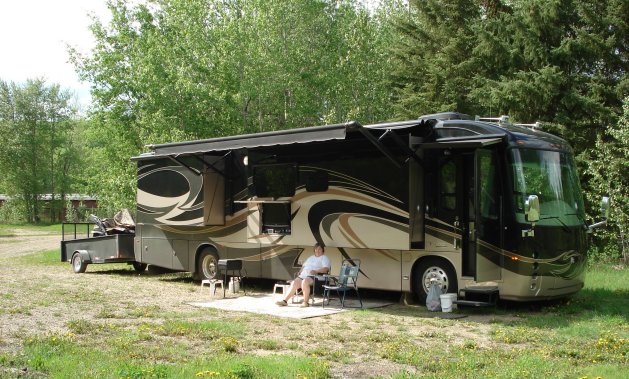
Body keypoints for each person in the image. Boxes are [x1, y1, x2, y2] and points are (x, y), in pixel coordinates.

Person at [276, 242, 331, 307]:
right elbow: (304, 266)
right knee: (294, 283)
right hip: (304, 276)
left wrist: (316, 271)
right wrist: (300, 272)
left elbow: (326, 269)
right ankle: (285, 301)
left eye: (319, 249)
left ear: (323, 250)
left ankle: (305, 302)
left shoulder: (324, 258)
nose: (317, 251)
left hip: (317, 276)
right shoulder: (311, 257)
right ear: (314, 250)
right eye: (316, 249)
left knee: (304, 282)